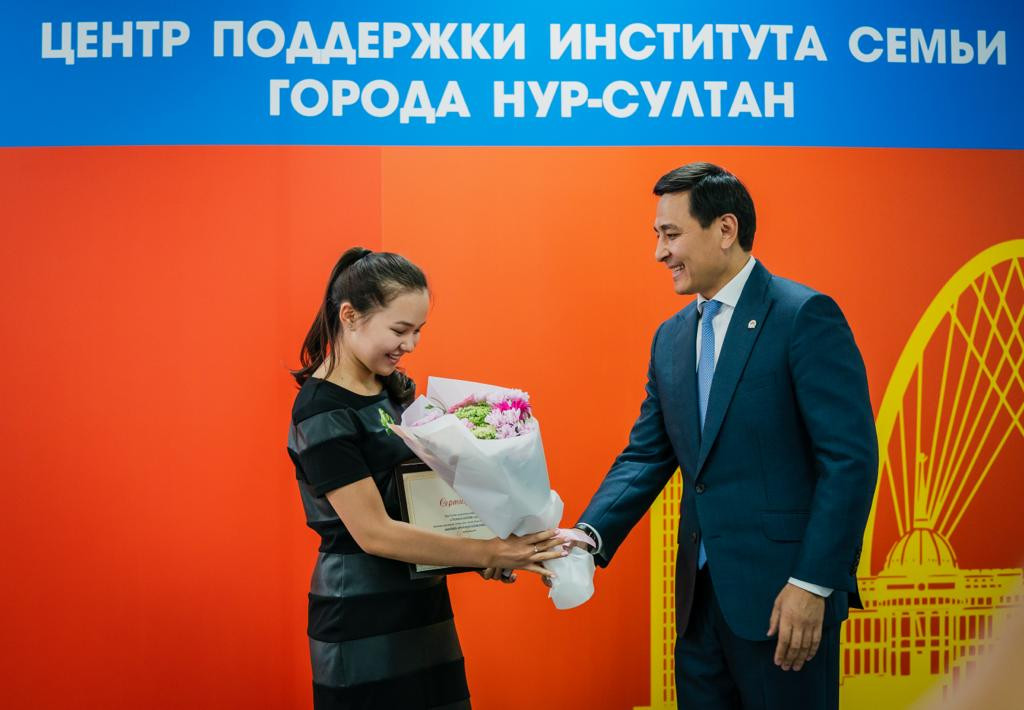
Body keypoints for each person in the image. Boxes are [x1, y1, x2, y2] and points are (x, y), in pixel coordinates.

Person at [572, 163, 878, 709]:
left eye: (671, 235)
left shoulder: (803, 316)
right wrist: (586, 537)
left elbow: (849, 462)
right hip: (699, 609)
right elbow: (646, 455)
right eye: (657, 236)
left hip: (786, 605)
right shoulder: (671, 338)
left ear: (725, 229)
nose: (659, 253)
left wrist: (813, 584)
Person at [287, 247, 564, 709]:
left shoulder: (395, 390)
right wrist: (490, 550)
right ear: (350, 316)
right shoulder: (322, 411)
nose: (410, 345)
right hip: (360, 613)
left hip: (423, 603)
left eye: (418, 331)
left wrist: (485, 549)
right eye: (399, 330)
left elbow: (423, 503)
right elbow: (374, 532)